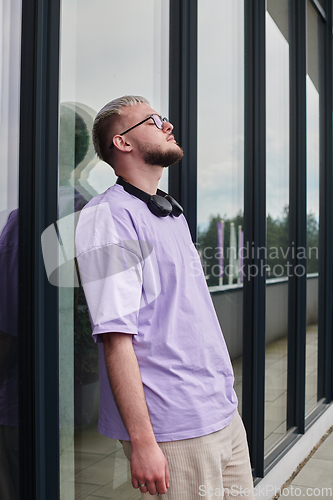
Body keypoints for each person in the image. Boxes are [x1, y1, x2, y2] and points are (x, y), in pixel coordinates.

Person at [75, 95, 254, 499]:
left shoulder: (171, 213)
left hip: (221, 412)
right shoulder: (109, 216)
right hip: (175, 426)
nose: (168, 125)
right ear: (122, 142)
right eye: (154, 120)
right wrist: (142, 443)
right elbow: (115, 339)